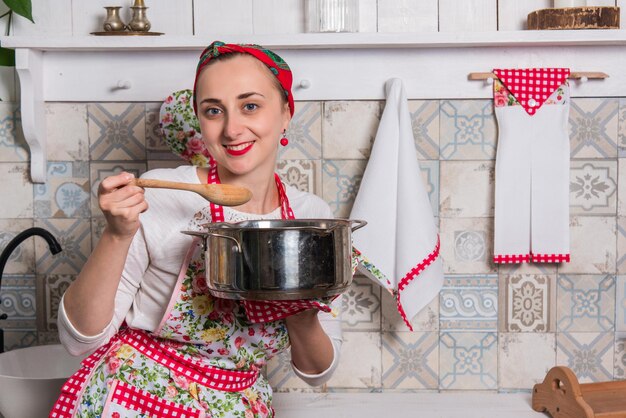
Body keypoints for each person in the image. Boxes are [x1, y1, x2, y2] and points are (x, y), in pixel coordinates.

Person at [50, 41, 342, 418]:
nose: (232, 128)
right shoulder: (162, 193)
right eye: (213, 110)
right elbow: (78, 341)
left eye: (250, 105)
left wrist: (302, 313)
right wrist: (116, 234)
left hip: (238, 404)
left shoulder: (308, 217)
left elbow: (318, 372)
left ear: (286, 112)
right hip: (138, 399)